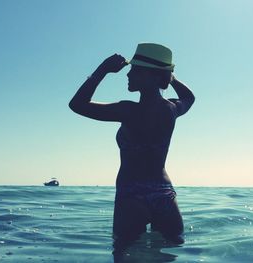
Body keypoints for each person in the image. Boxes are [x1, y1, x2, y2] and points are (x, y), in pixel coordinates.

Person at [69, 43, 195, 254]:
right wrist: (169, 76)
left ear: (153, 77)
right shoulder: (171, 109)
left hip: (131, 196)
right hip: (163, 195)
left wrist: (103, 69)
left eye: (136, 70)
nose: (128, 74)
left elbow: (77, 105)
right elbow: (190, 97)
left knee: (125, 255)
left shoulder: (127, 110)